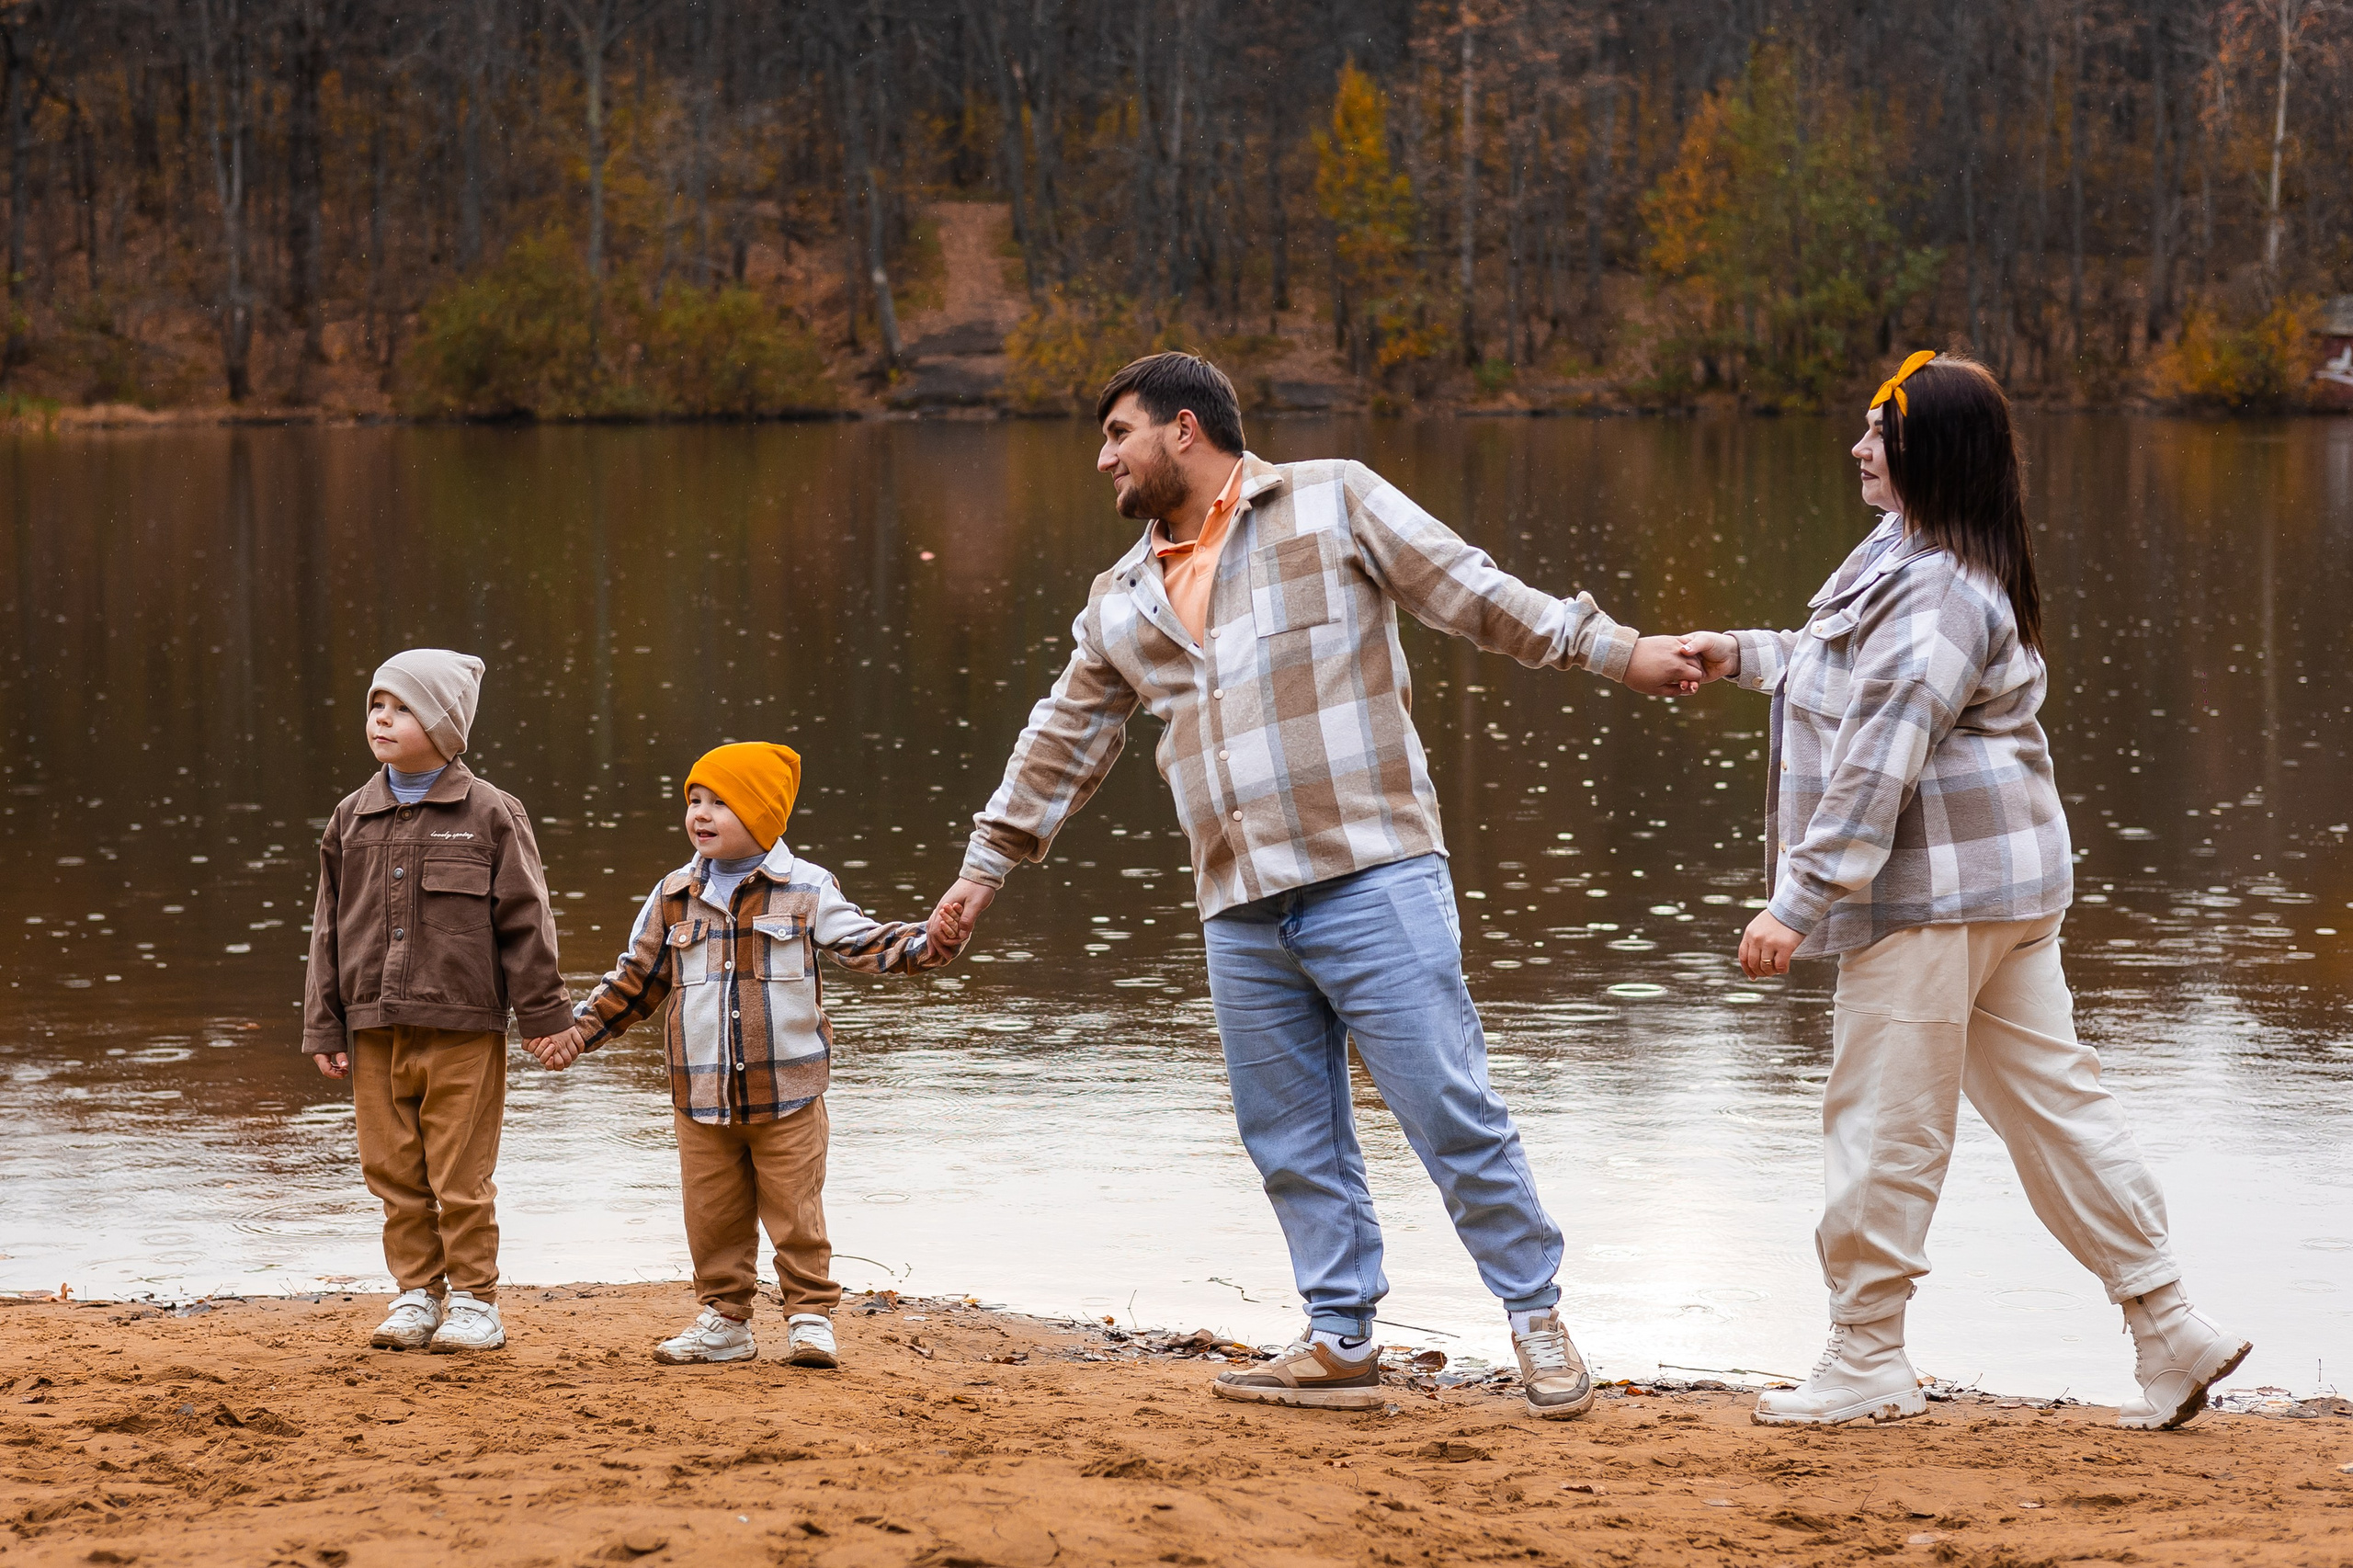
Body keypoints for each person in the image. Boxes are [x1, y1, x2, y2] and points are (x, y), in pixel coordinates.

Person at [930, 352, 1703, 1418]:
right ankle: (1340, 1338)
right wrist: (984, 870)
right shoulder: (1118, 597)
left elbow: (1475, 592)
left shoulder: (1332, 498)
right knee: (1288, 1135)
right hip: (1237, 904)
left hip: (1372, 871)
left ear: (1186, 430)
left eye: (1118, 433)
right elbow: (1063, 737)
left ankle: (1535, 1315)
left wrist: (1618, 652)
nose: (1103, 457)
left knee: (1450, 1108)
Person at [1678, 351, 2248, 1430]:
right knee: (2055, 1107)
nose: (1856, 447)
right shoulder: (1918, 550)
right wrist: (1741, 653)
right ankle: (2170, 1326)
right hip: (1999, 890)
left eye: (1876, 434)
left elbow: (1877, 755)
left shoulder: (1938, 583)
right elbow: (1842, 665)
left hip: (1933, 898)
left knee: (1883, 1120)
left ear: (1927, 452)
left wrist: (1793, 904)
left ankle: (1865, 1356)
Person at [541, 743, 961, 1370]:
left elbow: (862, 942)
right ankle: (725, 1320)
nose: (701, 814)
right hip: (700, 1093)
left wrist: (929, 942)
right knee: (712, 1218)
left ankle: (810, 1317)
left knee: (796, 1214)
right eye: (695, 801)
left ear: (764, 815)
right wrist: (577, 1031)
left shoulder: (807, 888)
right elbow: (637, 980)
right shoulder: (673, 895)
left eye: (721, 803)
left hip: (788, 1089)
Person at [303, 649, 577, 1355]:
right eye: (376, 705)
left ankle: (476, 1302)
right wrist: (325, 1024)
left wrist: (545, 1019)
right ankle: (417, 1295)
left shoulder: (488, 814)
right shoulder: (351, 818)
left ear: (447, 726)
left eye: (402, 707)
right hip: (372, 1029)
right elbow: (328, 929)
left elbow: (526, 921)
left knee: (460, 1173)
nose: (382, 719)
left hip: (462, 1029)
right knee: (392, 1171)